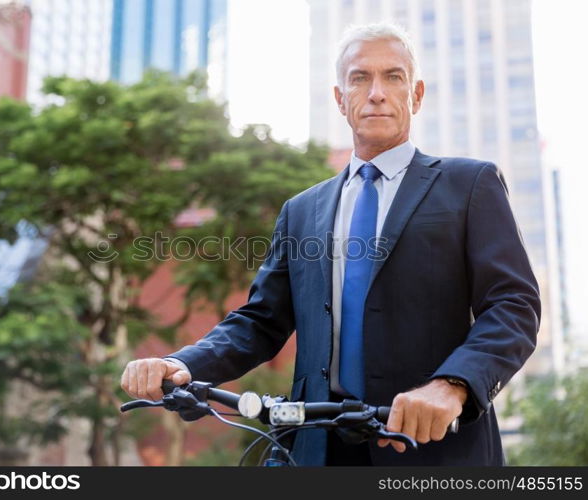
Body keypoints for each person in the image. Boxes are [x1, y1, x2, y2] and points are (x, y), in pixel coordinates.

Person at [120, 23, 540, 466]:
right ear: (340, 99)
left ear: (416, 95)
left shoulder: (470, 184)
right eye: (360, 78)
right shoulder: (302, 209)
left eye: (393, 77)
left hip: (434, 447)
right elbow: (260, 321)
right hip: (319, 447)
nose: (376, 92)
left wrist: (452, 386)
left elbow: (514, 305)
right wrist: (184, 365)